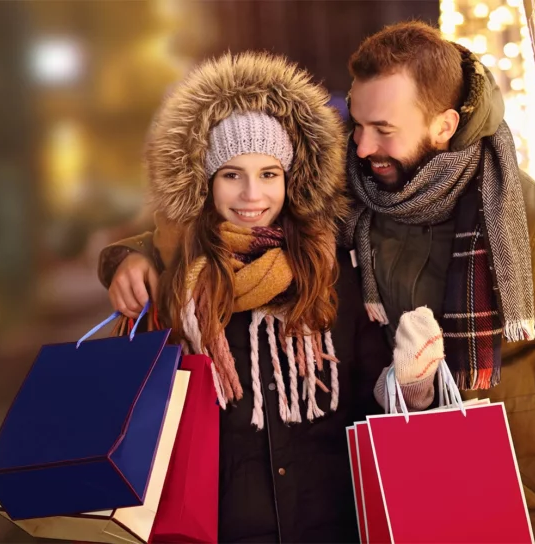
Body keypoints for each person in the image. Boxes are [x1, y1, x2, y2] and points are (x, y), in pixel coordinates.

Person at [104, 22, 535, 543]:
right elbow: (219, 219)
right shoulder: (359, 193)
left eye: (383, 130)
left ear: (443, 126)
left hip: (521, 502)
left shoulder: (528, 218)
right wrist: (128, 258)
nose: (361, 147)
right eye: (356, 125)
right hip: (399, 493)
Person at [118, 52, 391, 543]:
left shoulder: (332, 269)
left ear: (290, 178)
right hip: (218, 526)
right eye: (231, 175)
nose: (251, 196)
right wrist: (124, 258)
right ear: (206, 181)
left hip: (327, 524)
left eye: (268, 174)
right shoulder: (178, 281)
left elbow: (369, 394)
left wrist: (408, 384)